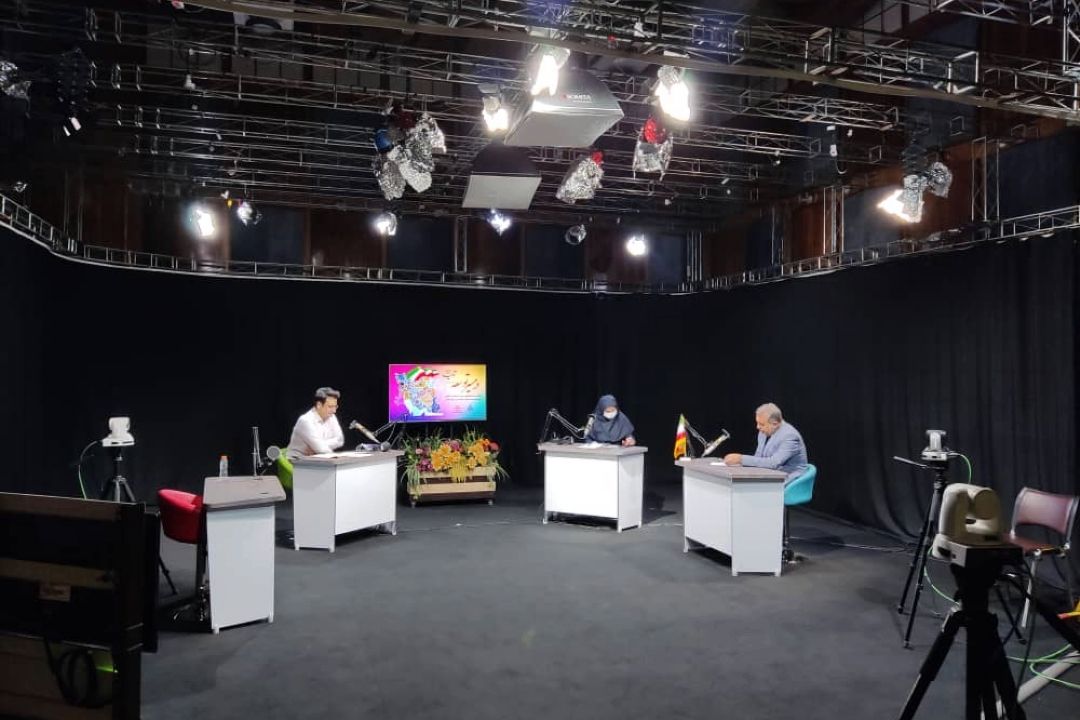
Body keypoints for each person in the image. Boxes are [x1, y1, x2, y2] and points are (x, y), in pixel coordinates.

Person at [723, 402, 808, 483]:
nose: (758, 427)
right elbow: (758, 458)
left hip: (789, 480)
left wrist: (741, 459)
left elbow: (773, 463)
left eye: (761, 424)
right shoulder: (763, 433)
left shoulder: (790, 436)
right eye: (757, 423)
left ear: (775, 424)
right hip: (770, 476)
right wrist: (739, 464)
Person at [286, 387, 345, 459]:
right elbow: (321, 450)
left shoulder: (332, 416)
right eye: (330, 407)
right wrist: (319, 445)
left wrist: (320, 443)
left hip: (316, 458)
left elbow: (340, 441)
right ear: (319, 405)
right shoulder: (305, 420)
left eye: (335, 406)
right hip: (297, 460)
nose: (334, 411)